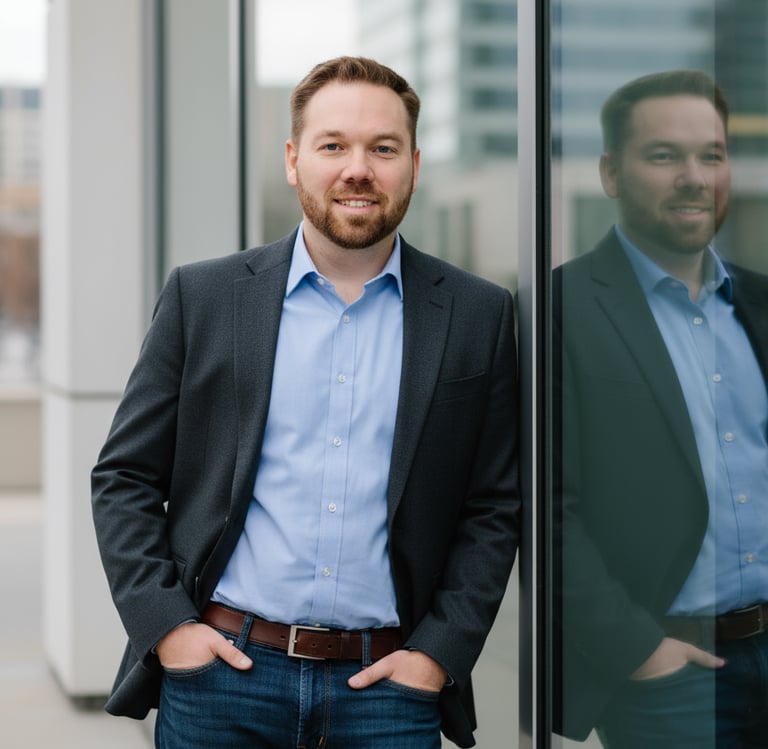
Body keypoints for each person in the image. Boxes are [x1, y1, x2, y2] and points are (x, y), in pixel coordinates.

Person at [91, 56, 519, 749]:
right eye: (333, 145)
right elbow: (124, 477)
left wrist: (438, 653)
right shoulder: (204, 299)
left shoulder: (478, 314)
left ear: (413, 161)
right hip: (223, 680)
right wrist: (168, 627)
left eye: (383, 148)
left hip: (389, 691)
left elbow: (493, 506)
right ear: (294, 160)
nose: (358, 168)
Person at [553, 69, 768, 748]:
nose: (694, 177)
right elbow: (545, 508)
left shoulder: (760, 304)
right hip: (672, 678)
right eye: (663, 155)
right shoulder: (560, 310)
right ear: (611, 173)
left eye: (711, 155)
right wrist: (641, 650)